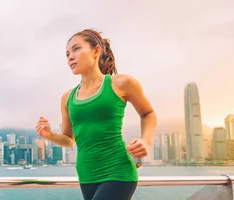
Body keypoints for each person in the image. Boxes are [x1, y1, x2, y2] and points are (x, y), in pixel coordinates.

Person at [35, 29, 157, 200]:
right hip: (86, 175)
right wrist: (49, 135)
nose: (70, 57)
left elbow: (148, 113)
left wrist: (146, 140)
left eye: (77, 49)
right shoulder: (67, 98)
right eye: (67, 53)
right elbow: (69, 139)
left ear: (96, 51)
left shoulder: (122, 83)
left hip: (118, 171)